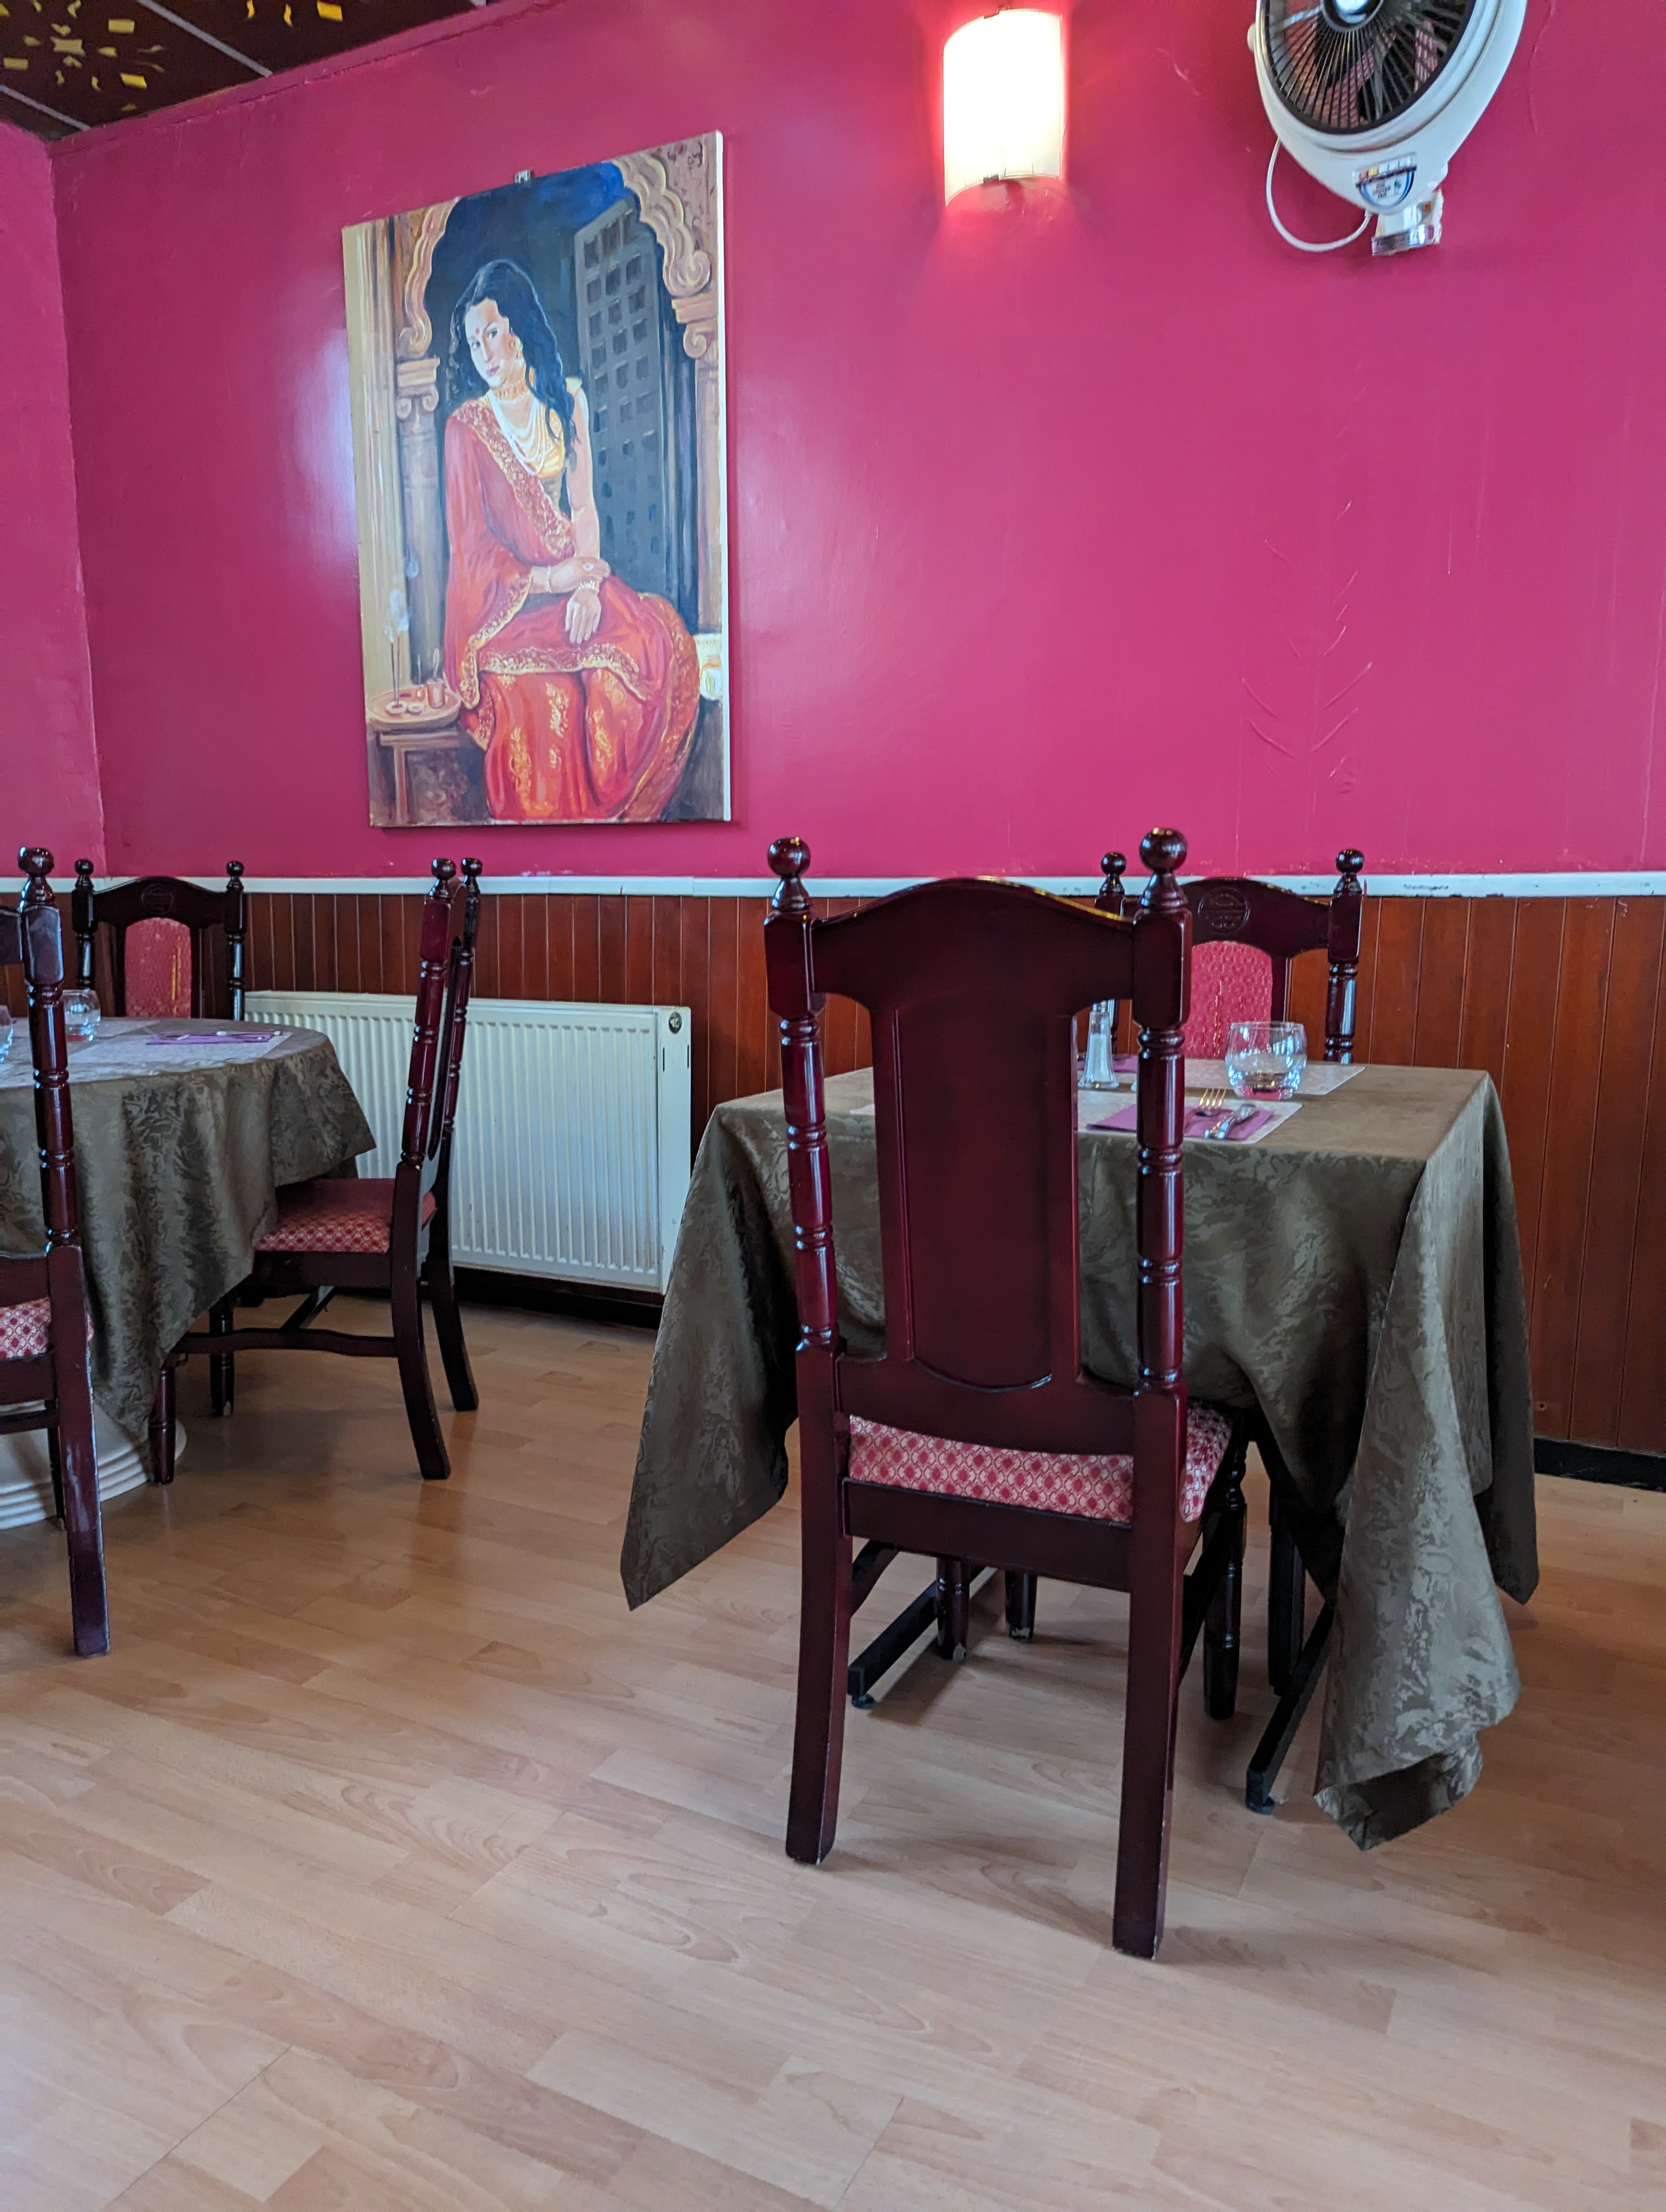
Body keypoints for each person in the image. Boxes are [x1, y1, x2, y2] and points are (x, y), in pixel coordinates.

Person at [441, 259, 700, 821]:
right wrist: (549, 580)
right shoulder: (466, 428)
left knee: (632, 660)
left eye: (492, 333)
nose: (484, 353)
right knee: (548, 702)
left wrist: (584, 587)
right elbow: (472, 551)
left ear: (518, 325)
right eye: (473, 342)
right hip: (505, 610)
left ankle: (611, 834)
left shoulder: (566, 403)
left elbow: (582, 508)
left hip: (571, 585)